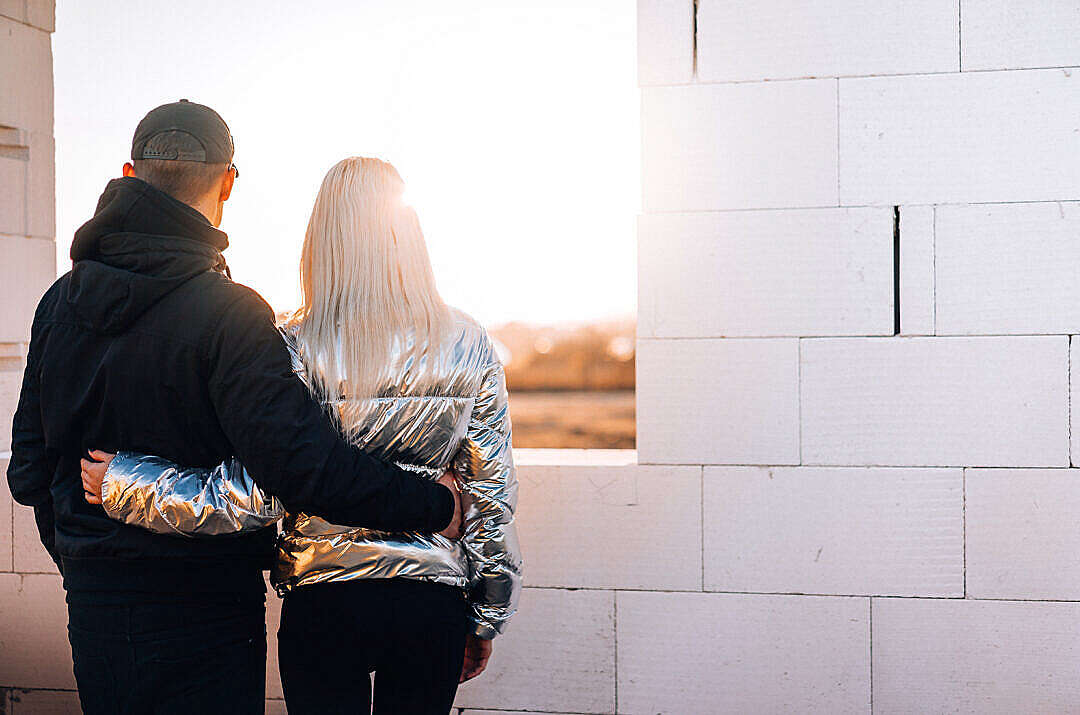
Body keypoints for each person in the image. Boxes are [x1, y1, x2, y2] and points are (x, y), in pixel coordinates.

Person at [6, 102, 462, 715]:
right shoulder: (232, 314)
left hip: (97, 609)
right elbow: (300, 469)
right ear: (228, 181)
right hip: (209, 615)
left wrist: (85, 561)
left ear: (128, 172)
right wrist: (436, 505)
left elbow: (29, 470)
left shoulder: (57, 303)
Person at [80, 156, 523, 714]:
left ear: (322, 239)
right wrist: (486, 614)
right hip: (431, 603)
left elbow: (256, 495)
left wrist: (127, 484)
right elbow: (490, 498)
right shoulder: (469, 343)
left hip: (323, 606)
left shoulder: (287, 346)